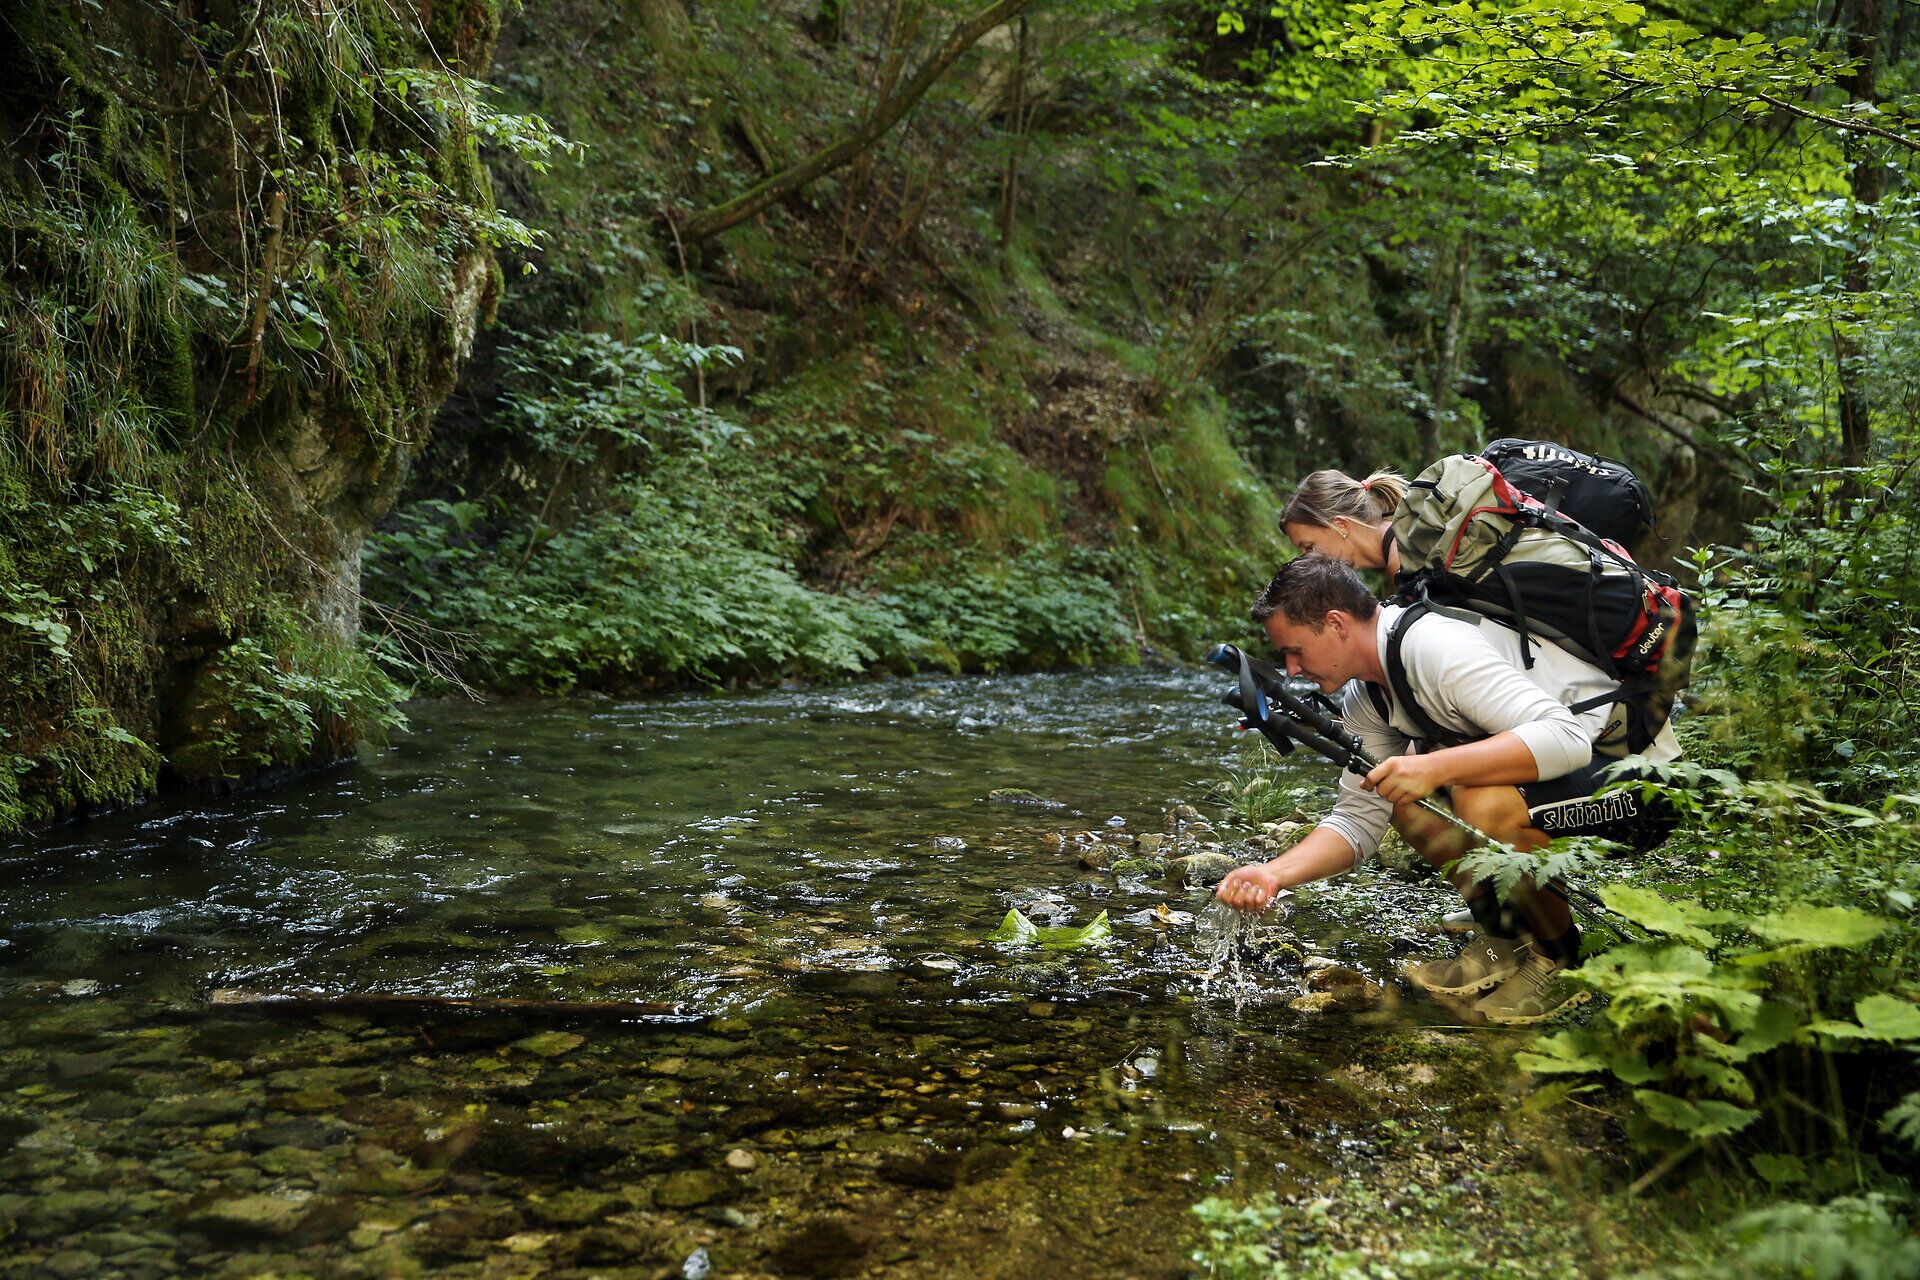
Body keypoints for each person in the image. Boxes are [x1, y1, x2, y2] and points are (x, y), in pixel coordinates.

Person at [1214, 553, 1681, 1024]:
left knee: (1473, 799)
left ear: (1335, 624)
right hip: (1566, 787)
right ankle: (1506, 938)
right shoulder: (1370, 692)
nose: (1291, 670)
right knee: (1403, 796)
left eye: (1295, 651)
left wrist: (1435, 767)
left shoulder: (1434, 647)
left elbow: (1568, 740)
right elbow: (1357, 819)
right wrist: (1274, 874)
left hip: (1643, 787)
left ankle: (1559, 959)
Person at [1278, 469, 1408, 575]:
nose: (1308, 560)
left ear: (1341, 526)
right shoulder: (1401, 545)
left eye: (1309, 547)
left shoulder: (1401, 562)